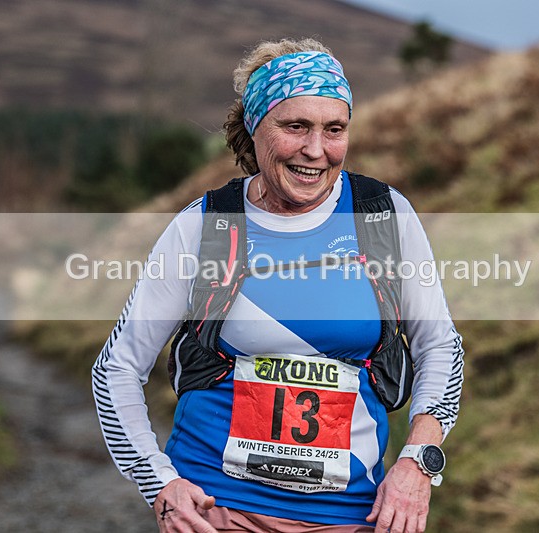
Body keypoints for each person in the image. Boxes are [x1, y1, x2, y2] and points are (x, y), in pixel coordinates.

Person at [92, 38, 463, 533]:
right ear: (255, 127)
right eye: (295, 127)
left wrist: (418, 462)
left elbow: (440, 346)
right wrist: (160, 483)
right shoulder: (204, 225)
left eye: (334, 129)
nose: (316, 150)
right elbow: (116, 368)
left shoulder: (382, 216)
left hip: (351, 515)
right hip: (215, 510)